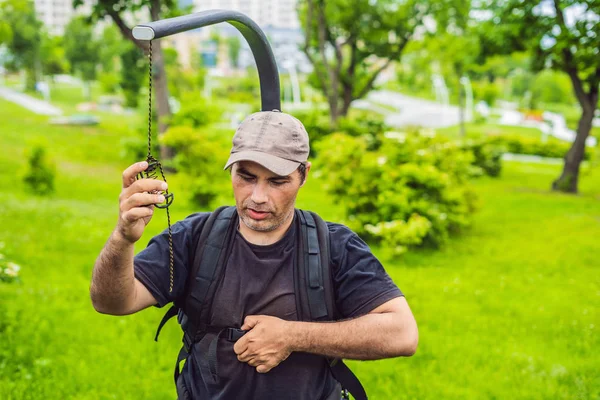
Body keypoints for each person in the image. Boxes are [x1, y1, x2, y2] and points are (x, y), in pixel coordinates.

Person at [90, 110, 418, 400]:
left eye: (277, 181)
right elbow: (111, 302)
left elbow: (402, 334)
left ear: (304, 174)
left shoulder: (335, 246)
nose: (258, 197)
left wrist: (293, 335)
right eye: (246, 177)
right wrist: (123, 238)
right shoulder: (194, 237)